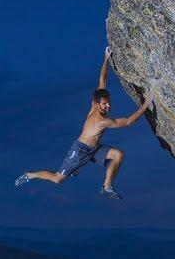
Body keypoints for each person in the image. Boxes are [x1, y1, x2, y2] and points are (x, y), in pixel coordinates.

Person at [15, 46, 153, 200]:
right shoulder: (102, 120)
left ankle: (106, 187)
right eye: (105, 104)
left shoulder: (96, 103)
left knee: (118, 154)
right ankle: (30, 175)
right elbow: (128, 122)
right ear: (97, 103)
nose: (109, 106)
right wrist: (146, 104)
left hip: (94, 149)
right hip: (80, 150)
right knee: (57, 179)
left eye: (109, 103)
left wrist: (106, 59)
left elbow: (103, 80)